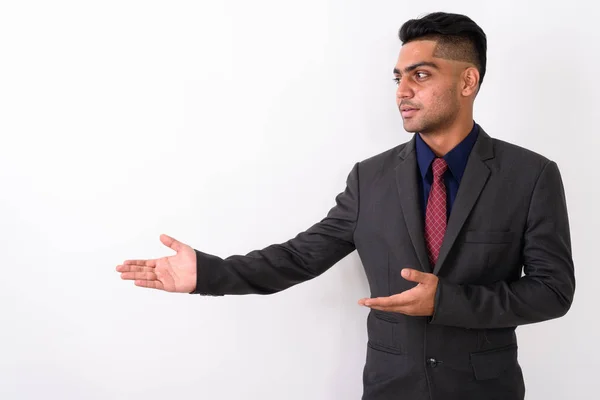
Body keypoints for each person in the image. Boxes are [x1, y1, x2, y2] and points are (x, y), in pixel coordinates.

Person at [116, 11, 575, 400]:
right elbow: (299, 257)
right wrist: (208, 274)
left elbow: (553, 291)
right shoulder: (370, 178)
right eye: (398, 77)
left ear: (468, 81)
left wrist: (447, 301)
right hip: (391, 387)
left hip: (485, 390)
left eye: (421, 74)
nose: (402, 91)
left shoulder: (530, 176)